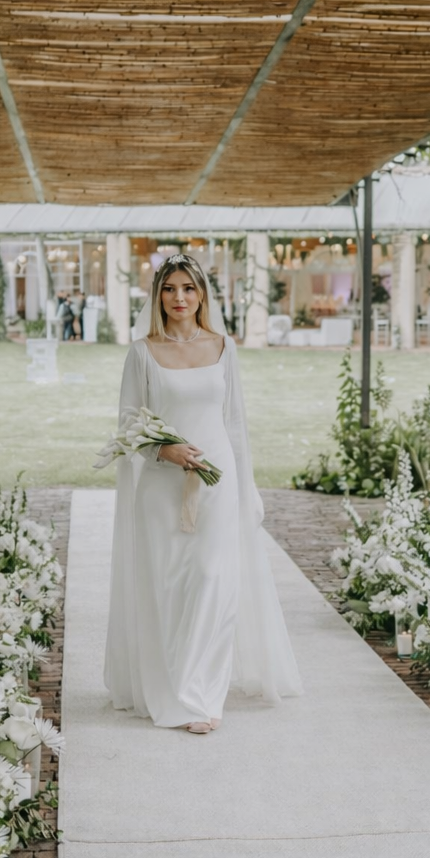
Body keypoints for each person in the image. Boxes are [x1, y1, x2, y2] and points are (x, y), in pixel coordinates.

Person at [105, 253, 302, 734]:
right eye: (169, 289)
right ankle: (172, 687)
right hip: (161, 487)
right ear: (157, 297)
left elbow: (235, 422)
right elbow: (129, 424)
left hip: (218, 481)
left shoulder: (222, 346)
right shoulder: (141, 352)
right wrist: (164, 452)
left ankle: (203, 694)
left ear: (202, 296)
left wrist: (247, 486)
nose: (178, 298)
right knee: (170, 586)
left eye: (188, 289)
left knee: (214, 580)